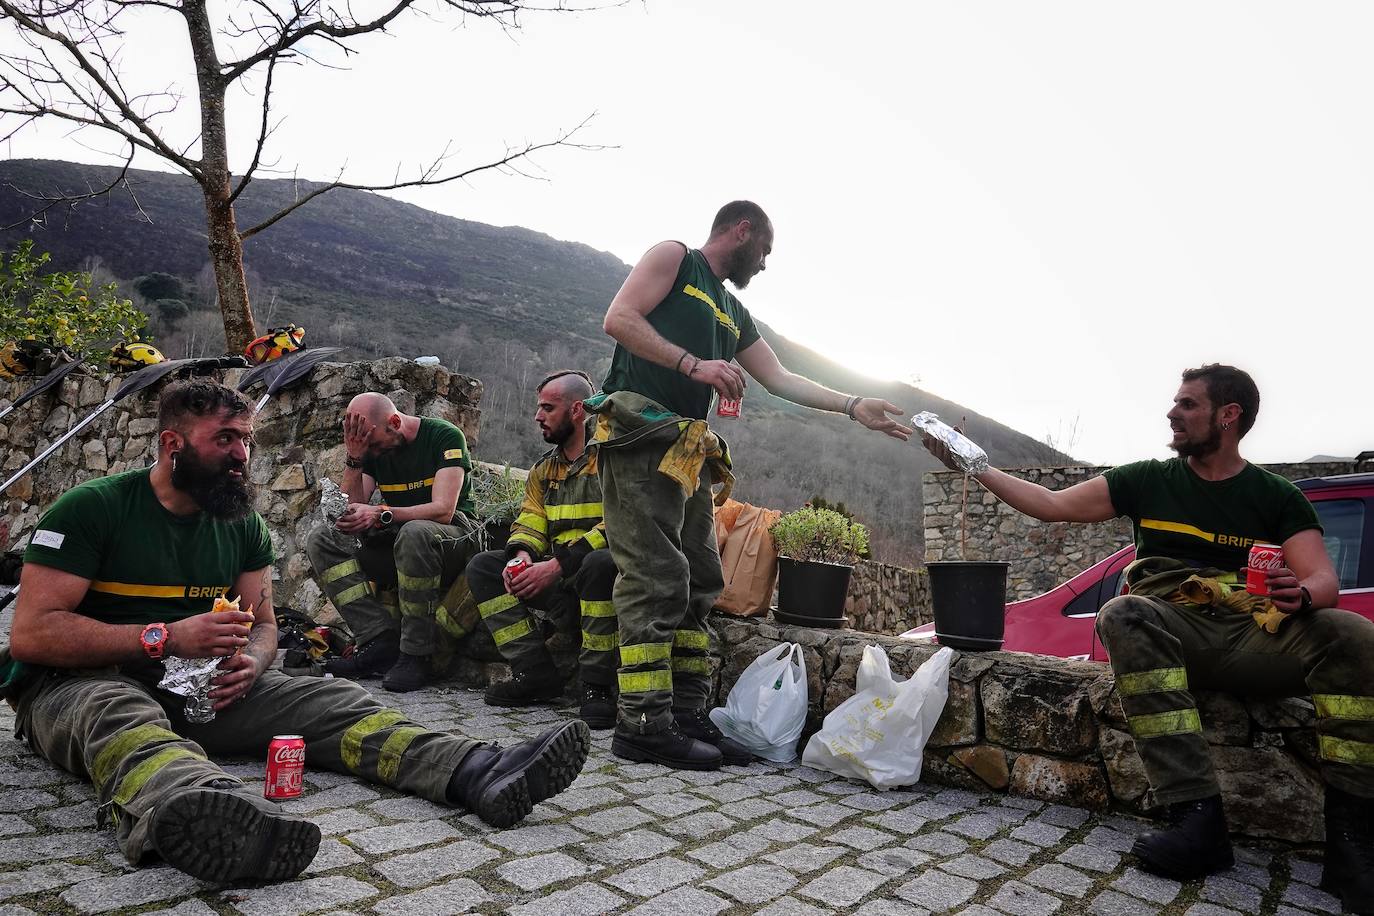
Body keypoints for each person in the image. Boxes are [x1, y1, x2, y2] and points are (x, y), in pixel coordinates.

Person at [1, 380, 590, 884]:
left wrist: (254, 665)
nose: (242, 455)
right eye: (225, 440)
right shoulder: (92, 509)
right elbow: (32, 635)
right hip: (76, 685)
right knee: (120, 717)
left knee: (333, 700)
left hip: (203, 690)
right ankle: (203, 812)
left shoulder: (241, 526)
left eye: (247, 440)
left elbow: (263, 627)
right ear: (171, 445)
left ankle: (474, 770)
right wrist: (164, 639)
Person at [919, 364, 1374, 912]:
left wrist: (1299, 594)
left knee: (1351, 631)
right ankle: (1197, 820)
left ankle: (1353, 842)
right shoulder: (1147, 480)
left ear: (1228, 417)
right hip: (1173, 626)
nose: (1172, 413)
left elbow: (1323, 580)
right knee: (1125, 612)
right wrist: (976, 466)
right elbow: (1051, 505)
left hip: (1255, 633)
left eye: (1187, 404)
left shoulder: (1276, 496)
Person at [593, 200, 911, 770]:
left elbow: (780, 377)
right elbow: (618, 319)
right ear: (742, 231)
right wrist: (695, 366)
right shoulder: (675, 259)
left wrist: (853, 404)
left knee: (699, 578)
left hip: (687, 452)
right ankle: (641, 722)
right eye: (763, 250)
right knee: (654, 576)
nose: (763, 263)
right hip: (637, 437)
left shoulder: (733, 311)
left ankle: (687, 716)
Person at [465, 370, 620, 729]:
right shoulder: (543, 470)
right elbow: (531, 519)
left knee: (600, 563)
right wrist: (521, 557)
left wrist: (555, 567)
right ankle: (533, 673)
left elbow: (619, 525)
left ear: (578, 410)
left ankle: (596, 685)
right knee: (484, 567)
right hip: (560, 579)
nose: (538, 416)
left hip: (599, 577)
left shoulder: (612, 460)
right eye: (539, 408)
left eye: (548, 408)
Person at [305, 393, 482, 692]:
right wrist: (355, 458)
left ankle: (416, 655)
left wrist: (382, 514)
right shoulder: (372, 451)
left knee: (414, 532)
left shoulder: (444, 436)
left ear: (396, 422)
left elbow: (443, 510)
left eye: (374, 444)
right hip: (404, 540)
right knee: (323, 538)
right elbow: (350, 508)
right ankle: (378, 639)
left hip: (456, 538)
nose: (373, 451)